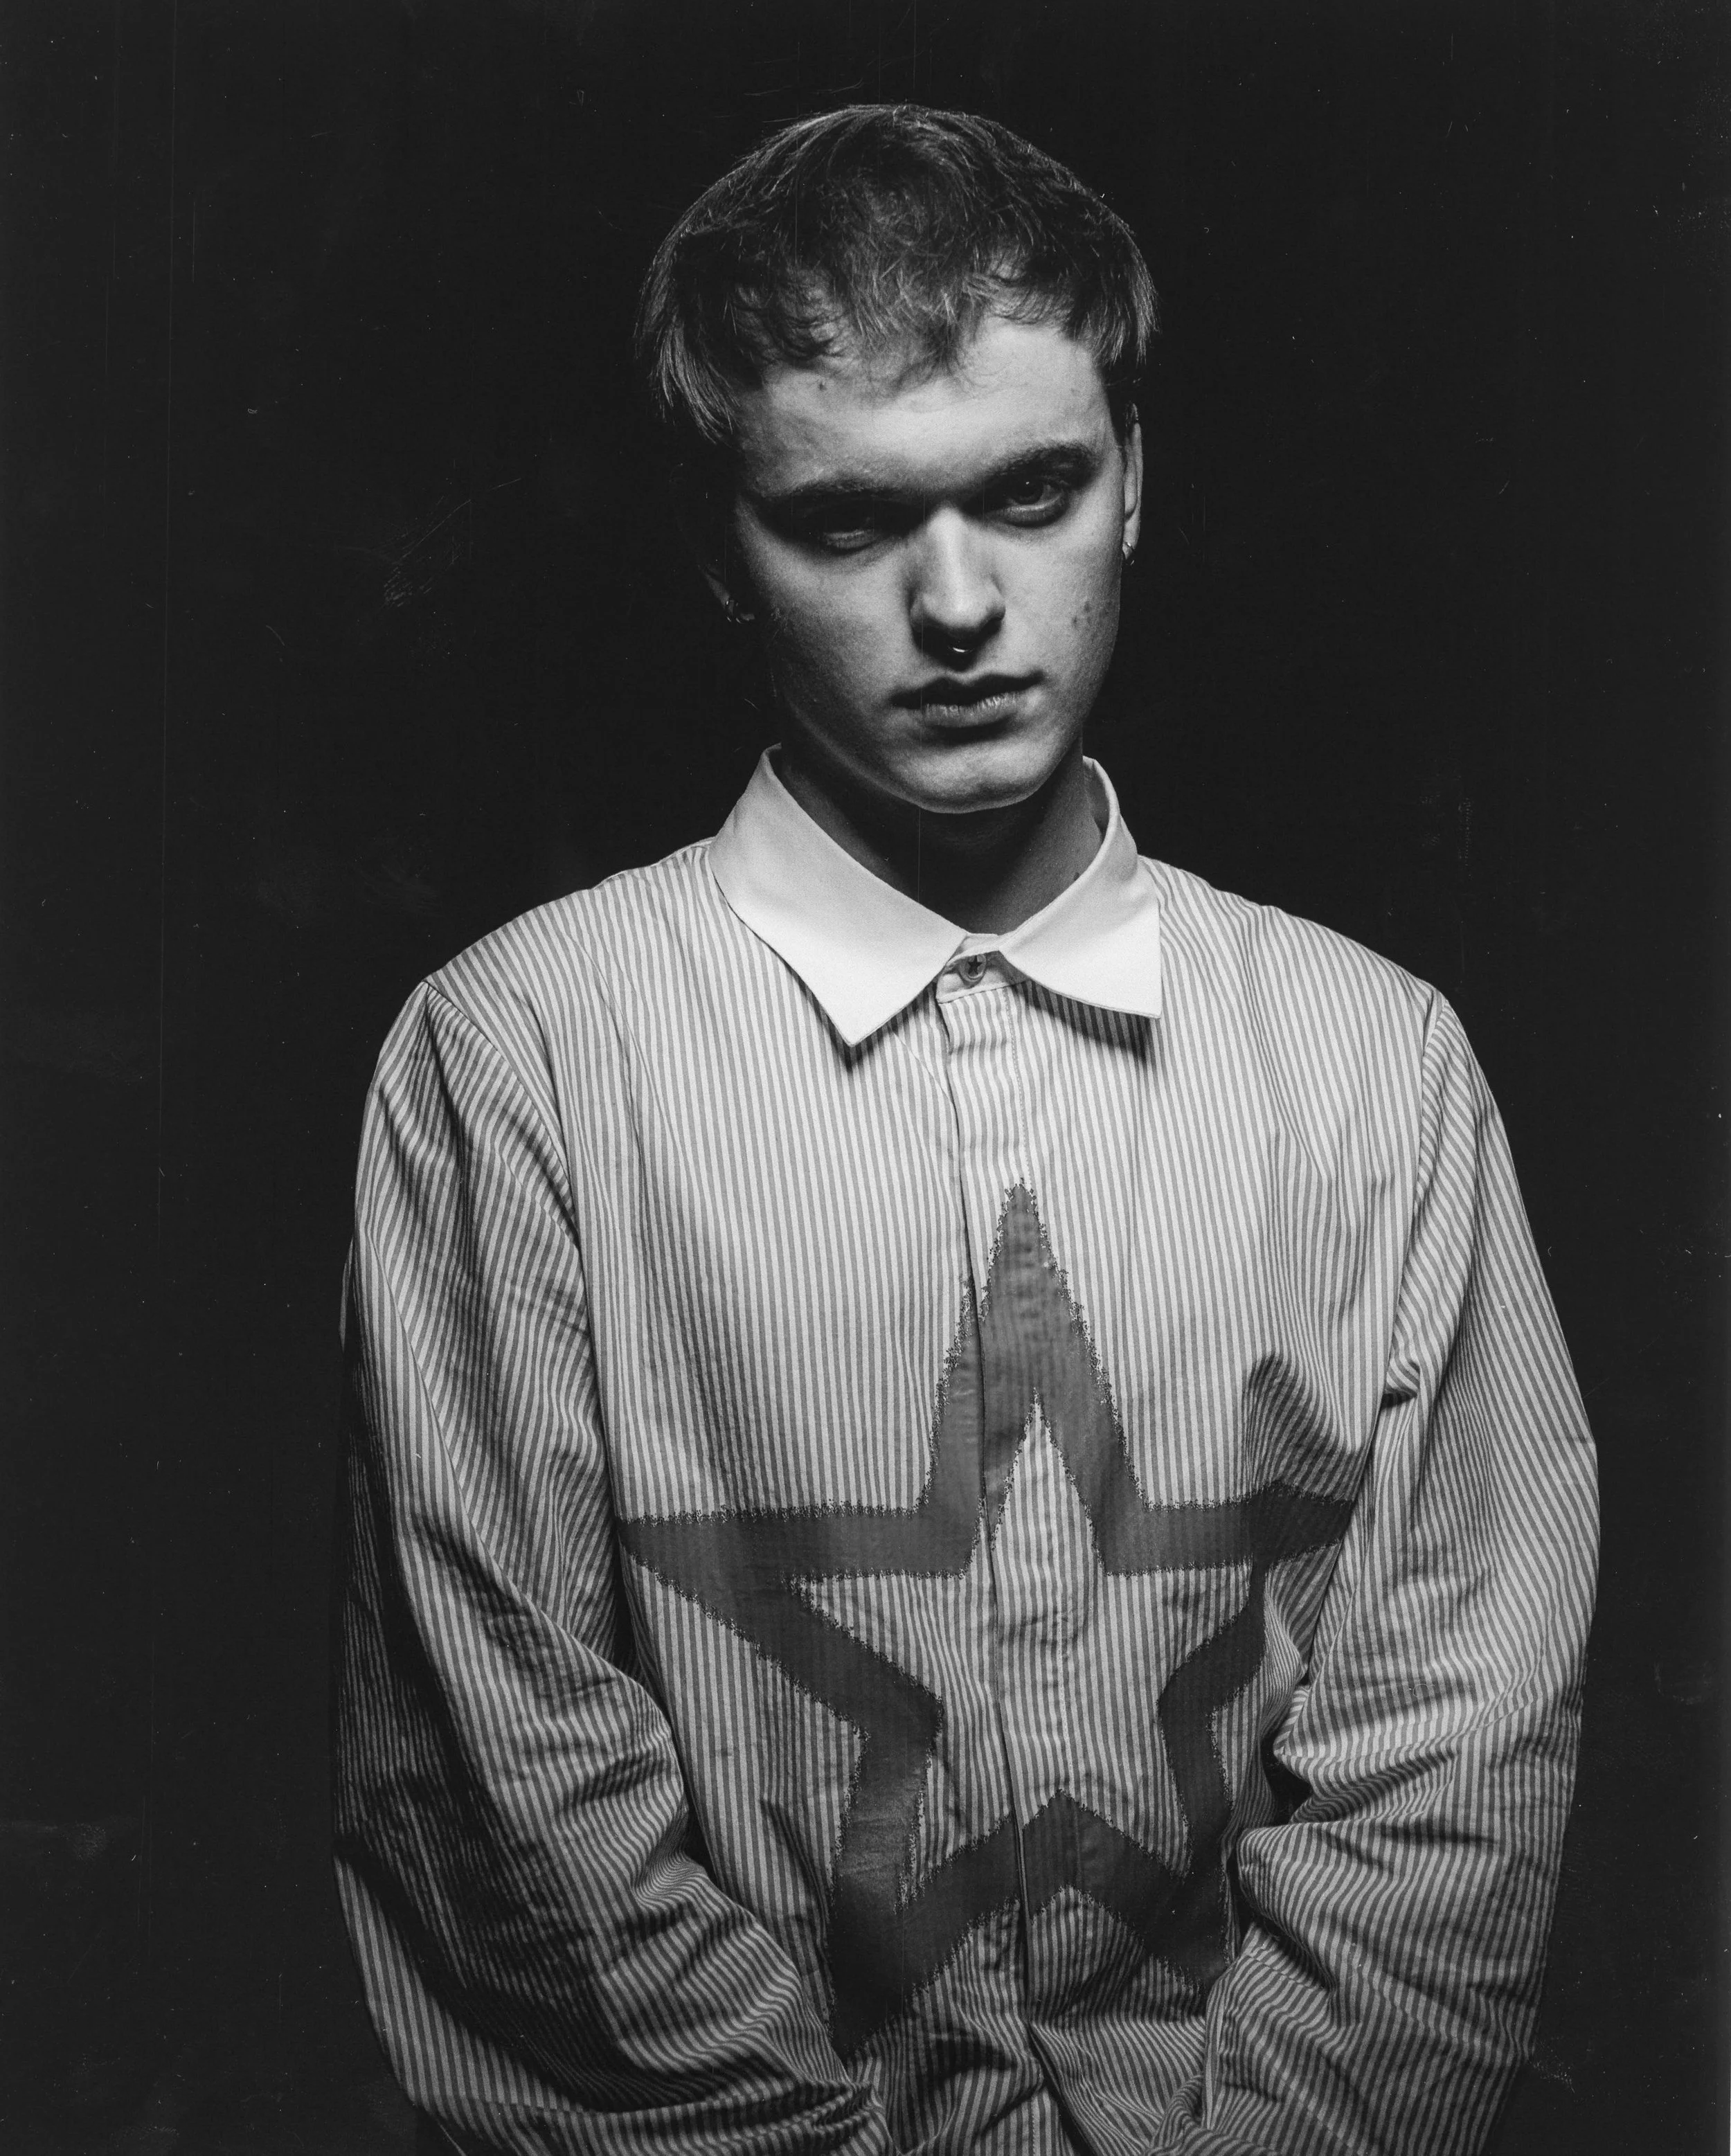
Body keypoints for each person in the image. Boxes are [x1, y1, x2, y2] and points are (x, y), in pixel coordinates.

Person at [332, 105, 1598, 2156]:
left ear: (1130, 488)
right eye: (842, 522)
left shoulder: (1375, 1063)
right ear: (714, 545)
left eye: (1027, 491)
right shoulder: (519, 1058)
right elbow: (507, 1788)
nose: (953, 604)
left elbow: (1452, 1751)